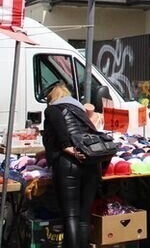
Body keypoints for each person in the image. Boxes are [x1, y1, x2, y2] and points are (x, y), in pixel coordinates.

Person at [43, 83, 101, 248]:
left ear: (52, 98)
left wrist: (66, 147)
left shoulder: (53, 109)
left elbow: (60, 129)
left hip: (69, 164)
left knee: (71, 216)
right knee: (83, 216)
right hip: (90, 162)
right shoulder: (80, 111)